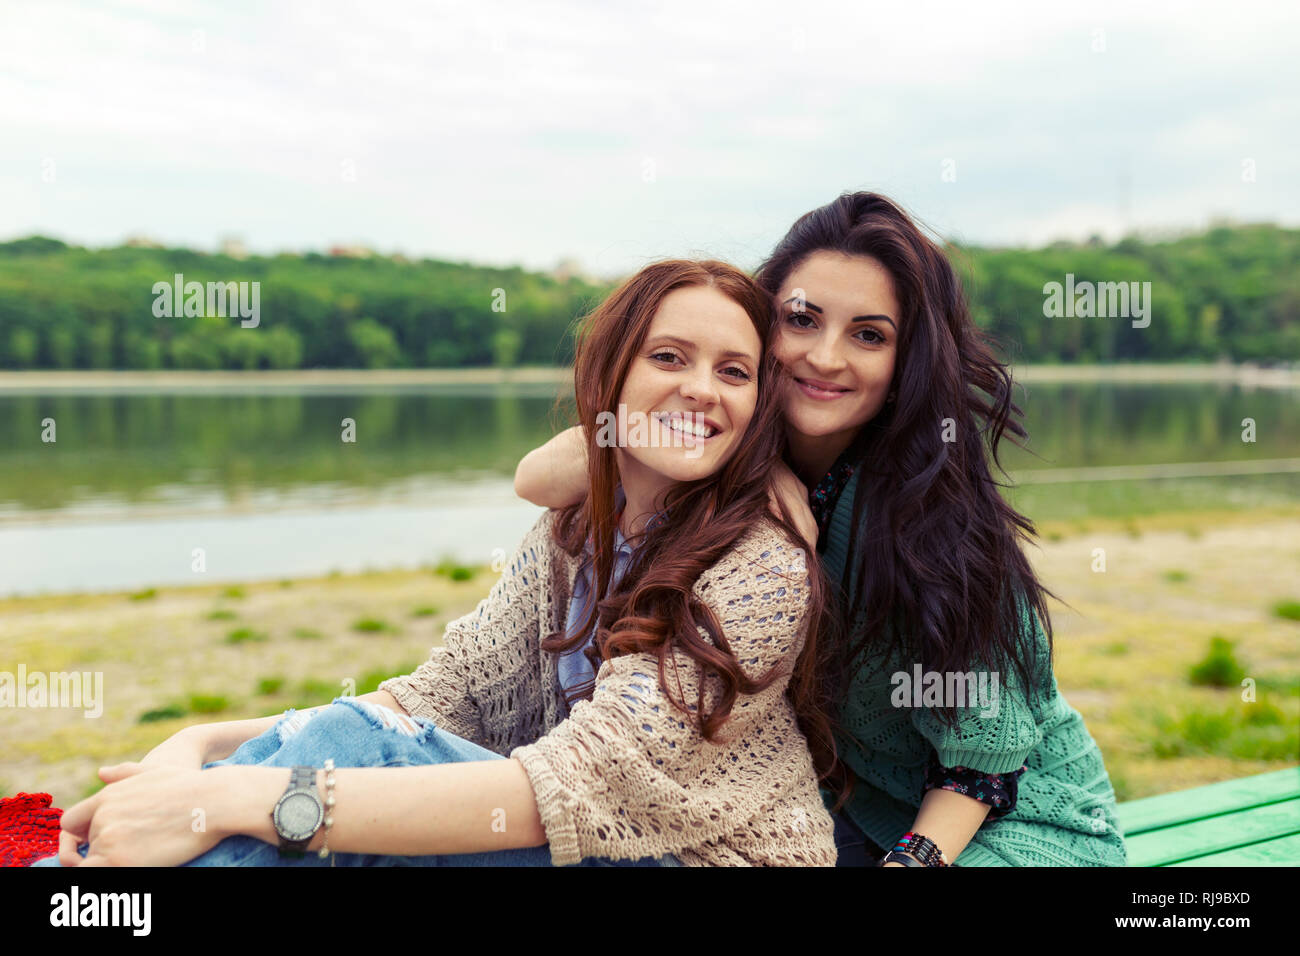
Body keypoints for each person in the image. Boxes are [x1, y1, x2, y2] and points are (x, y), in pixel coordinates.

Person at [31, 258, 838, 868]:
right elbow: (433, 701)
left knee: (333, 774)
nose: (703, 389)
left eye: (734, 371)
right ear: (609, 377)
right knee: (356, 741)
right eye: (670, 357)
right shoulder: (573, 531)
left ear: (757, 404)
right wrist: (202, 749)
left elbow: (579, 782)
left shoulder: (761, 564)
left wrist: (228, 799)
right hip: (581, 844)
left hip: (703, 859)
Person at [513, 193, 1129, 867]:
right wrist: (770, 471)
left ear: (905, 363)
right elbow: (538, 477)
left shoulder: (938, 515)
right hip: (846, 822)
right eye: (800, 320)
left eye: (869, 335)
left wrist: (910, 861)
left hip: (1005, 826)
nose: (826, 358)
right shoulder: (716, 444)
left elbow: (981, 765)